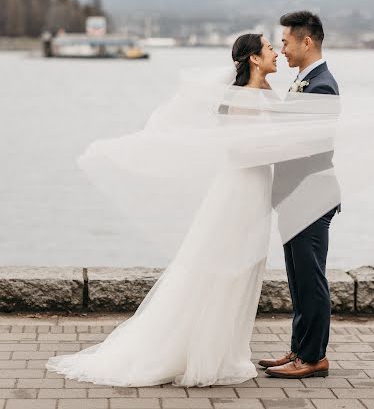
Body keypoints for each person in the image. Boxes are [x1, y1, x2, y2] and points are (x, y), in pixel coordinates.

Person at [46, 34, 284, 387]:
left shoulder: (265, 93)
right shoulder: (244, 100)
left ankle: (230, 350)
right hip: (241, 190)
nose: (276, 53)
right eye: (269, 48)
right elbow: (240, 151)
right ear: (253, 58)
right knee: (227, 267)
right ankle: (207, 355)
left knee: (248, 266)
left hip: (257, 188)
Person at [259, 11, 339, 379]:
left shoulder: (322, 85)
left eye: (287, 42)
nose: (283, 49)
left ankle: (313, 357)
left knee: (311, 279)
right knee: (298, 278)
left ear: (307, 42)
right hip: (295, 196)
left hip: (311, 196)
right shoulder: (302, 82)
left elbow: (306, 143)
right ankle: (298, 348)